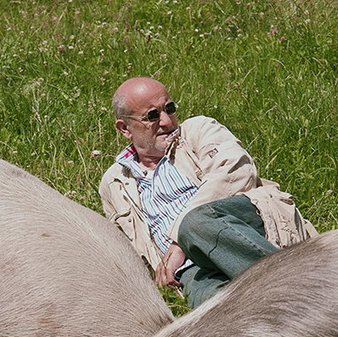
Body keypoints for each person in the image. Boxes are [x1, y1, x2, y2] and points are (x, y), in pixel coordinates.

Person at [99, 77, 317, 308]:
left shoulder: (198, 130)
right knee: (219, 313)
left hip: (240, 229)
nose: (165, 121)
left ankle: (305, 288)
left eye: (169, 109)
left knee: (195, 222)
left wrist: (180, 239)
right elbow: (126, 255)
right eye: (152, 116)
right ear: (124, 128)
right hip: (190, 272)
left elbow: (235, 171)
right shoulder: (114, 183)